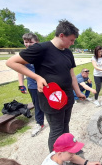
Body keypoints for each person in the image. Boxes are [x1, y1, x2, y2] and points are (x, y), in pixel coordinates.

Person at [6, 19, 86, 152]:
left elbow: (72, 75)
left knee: (65, 126)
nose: (72, 43)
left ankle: (67, 153)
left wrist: (77, 92)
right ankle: (54, 161)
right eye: (71, 40)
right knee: (56, 129)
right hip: (51, 98)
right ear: (61, 35)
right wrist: (37, 77)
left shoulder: (67, 52)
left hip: (67, 96)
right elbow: (11, 62)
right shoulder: (41, 48)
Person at [17, 33, 45, 137]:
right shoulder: (23, 54)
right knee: (37, 104)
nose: (28, 44)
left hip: (46, 83)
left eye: (31, 42)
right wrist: (21, 84)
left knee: (50, 101)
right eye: (26, 42)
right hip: (33, 85)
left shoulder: (43, 52)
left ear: (37, 42)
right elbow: (19, 70)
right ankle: (39, 123)